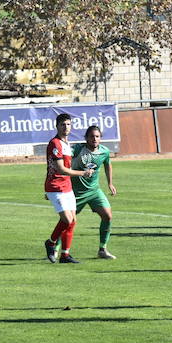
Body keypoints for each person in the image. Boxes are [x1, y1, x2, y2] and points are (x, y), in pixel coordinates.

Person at [42, 112, 96, 264]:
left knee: (72, 221)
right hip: (55, 186)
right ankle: (51, 243)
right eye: (63, 125)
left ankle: (65, 255)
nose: (66, 127)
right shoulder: (55, 144)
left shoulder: (67, 144)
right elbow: (60, 169)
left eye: (68, 124)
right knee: (66, 219)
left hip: (67, 186)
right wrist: (83, 173)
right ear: (57, 126)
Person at [72, 124, 118, 260]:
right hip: (76, 192)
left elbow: (108, 165)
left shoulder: (104, 151)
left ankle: (102, 249)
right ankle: (55, 248)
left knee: (107, 215)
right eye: (91, 136)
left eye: (97, 136)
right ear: (86, 138)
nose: (94, 139)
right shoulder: (77, 149)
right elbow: (63, 164)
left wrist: (110, 183)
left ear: (100, 139)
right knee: (68, 221)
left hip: (94, 191)